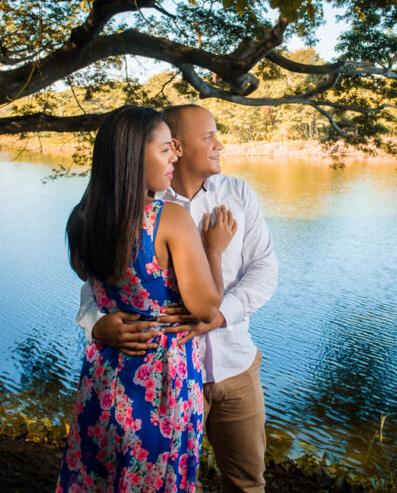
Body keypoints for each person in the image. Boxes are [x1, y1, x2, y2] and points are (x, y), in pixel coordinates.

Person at [78, 104, 278, 492]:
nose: (220, 144)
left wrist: (221, 316)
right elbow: (95, 281)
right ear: (179, 147)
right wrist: (94, 323)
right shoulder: (141, 204)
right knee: (175, 481)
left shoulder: (237, 194)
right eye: (209, 137)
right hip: (167, 380)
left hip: (235, 367)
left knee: (248, 482)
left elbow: (265, 269)